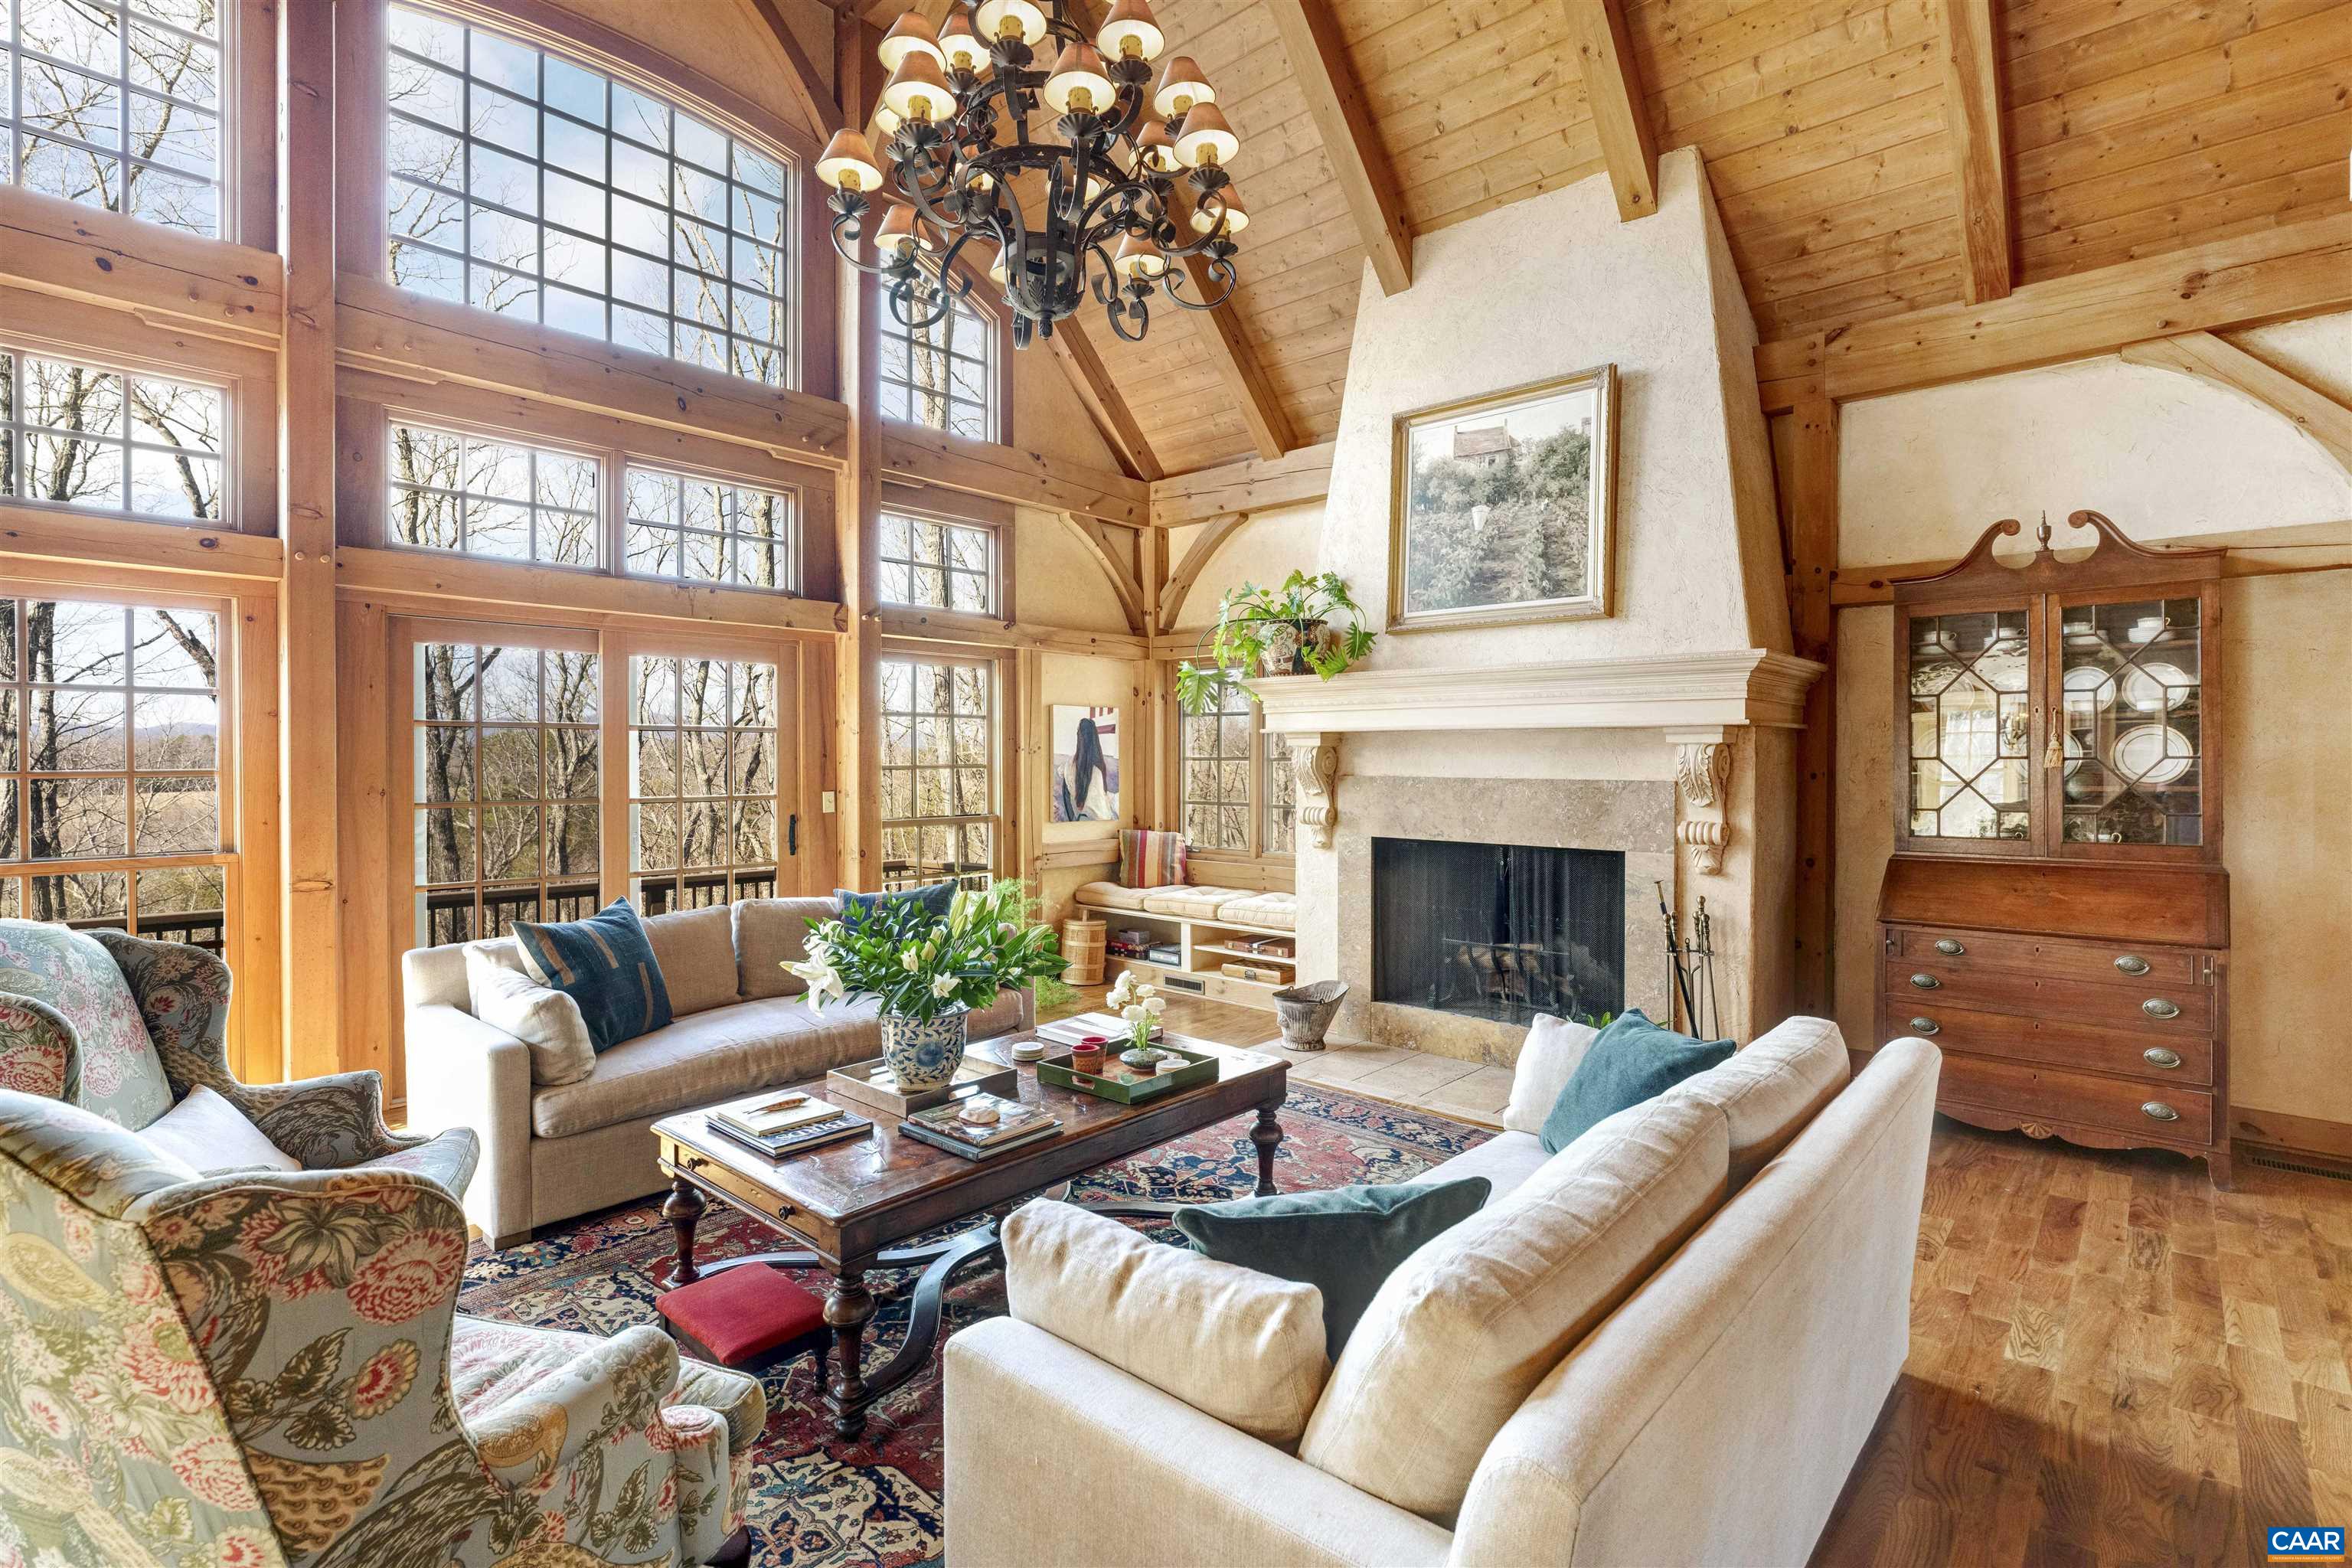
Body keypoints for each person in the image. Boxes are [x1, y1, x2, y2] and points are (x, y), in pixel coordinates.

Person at [1054, 715, 1119, 822]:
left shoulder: (1069, 764)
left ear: (1080, 738)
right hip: (1092, 819)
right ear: (1095, 739)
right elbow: (1101, 815)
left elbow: (1061, 772)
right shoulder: (1096, 771)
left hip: (1079, 818)